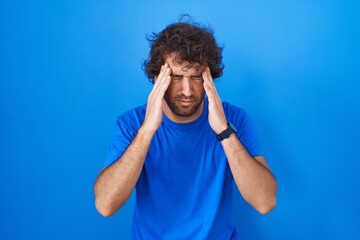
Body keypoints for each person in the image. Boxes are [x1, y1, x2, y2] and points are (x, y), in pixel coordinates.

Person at [94, 19, 277, 239]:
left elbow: (265, 202)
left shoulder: (234, 119)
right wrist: (147, 131)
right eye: (177, 77)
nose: (187, 91)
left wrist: (224, 132)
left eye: (196, 77)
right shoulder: (131, 124)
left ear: (209, 77)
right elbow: (105, 205)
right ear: (157, 78)